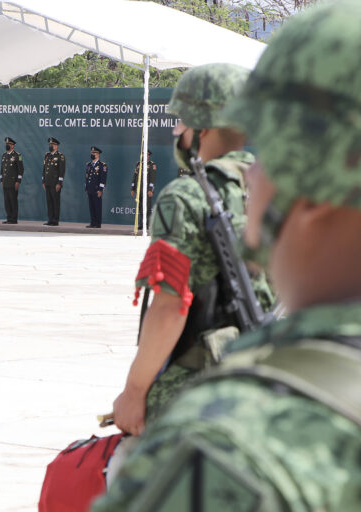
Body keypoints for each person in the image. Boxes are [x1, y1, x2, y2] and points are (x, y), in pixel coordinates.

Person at [93, 1, 361, 510]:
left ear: (306, 191)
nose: (252, 176)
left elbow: (169, 304)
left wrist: (135, 392)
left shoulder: (227, 447)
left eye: (266, 161)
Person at [110, 63, 274, 437]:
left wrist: (134, 392)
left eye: (181, 120)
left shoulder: (185, 196)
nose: (176, 130)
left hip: (198, 390)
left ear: (202, 126)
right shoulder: (278, 188)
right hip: (269, 375)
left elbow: (170, 306)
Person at [130, 150, 157, 230]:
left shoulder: (152, 165)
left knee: (147, 208)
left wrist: (150, 189)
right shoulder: (138, 164)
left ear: (149, 156)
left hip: (146, 190)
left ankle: (146, 224)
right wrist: (133, 188)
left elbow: (152, 179)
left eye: (147, 155)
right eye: (143, 155)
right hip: (139, 190)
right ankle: (142, 224)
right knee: (140, 207)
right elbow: (134, 177)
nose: (145, 156)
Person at [0, 136, 24, 224]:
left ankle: (14, 219)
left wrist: (18, 181)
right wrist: (1, 180)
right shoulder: (4, 155)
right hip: (5, 182)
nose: (7, 145)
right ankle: (9, 218)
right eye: (6, 144)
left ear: (13, 146)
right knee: (7, 201)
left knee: (13, 200)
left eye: (9, 144)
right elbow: (2, 169)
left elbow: (21, 170)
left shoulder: (17, 155)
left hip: (13, 182)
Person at [42, 137, 65, 226]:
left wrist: (59, 183)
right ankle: (50, 219)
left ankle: (55, 220)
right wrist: (43, 181)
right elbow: (44, 169)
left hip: (55, 183)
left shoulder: (60, 156)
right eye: (50, 145)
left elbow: (61, 171)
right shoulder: (47, 155)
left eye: (52, 145)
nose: (51, 146)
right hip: (47, 182)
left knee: (55, 201)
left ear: (56, 146)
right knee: (49, 201)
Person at [84, 146, 107, 228]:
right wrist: (86, 187)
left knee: (97, 206)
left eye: (94, 153)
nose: (92, 154)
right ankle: (92, 222)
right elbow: (87, 177)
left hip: (97, 189)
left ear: (98, 155)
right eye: (92, 153)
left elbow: (103, 179)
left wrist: (101, 190)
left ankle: (97, 223)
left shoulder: (102, 165)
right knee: (91, 207)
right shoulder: (89, 165)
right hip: (90, 189)